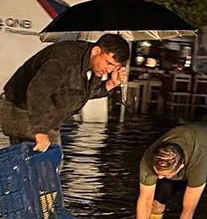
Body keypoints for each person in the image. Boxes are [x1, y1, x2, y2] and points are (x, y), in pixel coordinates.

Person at [0, 34, 130, 151]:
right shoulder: (63, 59)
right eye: (108, 63)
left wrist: (111, 84)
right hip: (21, 110)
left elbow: (80, 94)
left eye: (115, 67)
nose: (109, 70)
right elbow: (38, 90)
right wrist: (40, 131)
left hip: (45, 118)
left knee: (51, 162)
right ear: (96, 51)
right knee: (43, 163)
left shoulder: (91, 64)